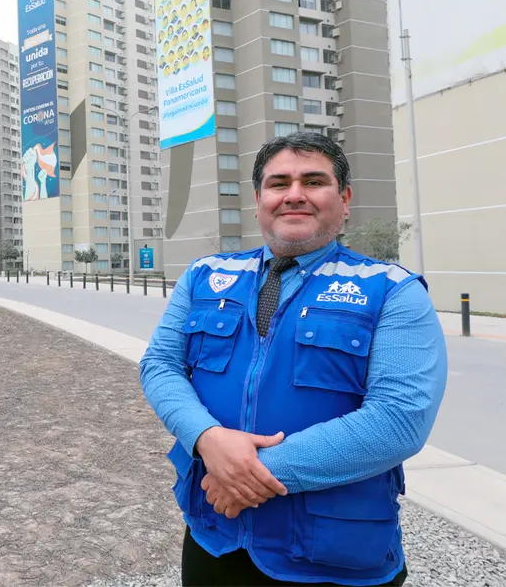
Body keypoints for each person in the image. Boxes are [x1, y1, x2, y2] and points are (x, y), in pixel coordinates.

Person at [139, 132, 447, 586]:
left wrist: (246, 473)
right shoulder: (204, 276)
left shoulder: (392, 290)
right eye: (279, 183)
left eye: (314, 182)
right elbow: (160, 365)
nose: (294, 195)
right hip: (214, 535)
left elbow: (400, 419)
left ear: (344, 200)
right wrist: (206, 437)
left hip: (334, 556)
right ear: (258, 200)